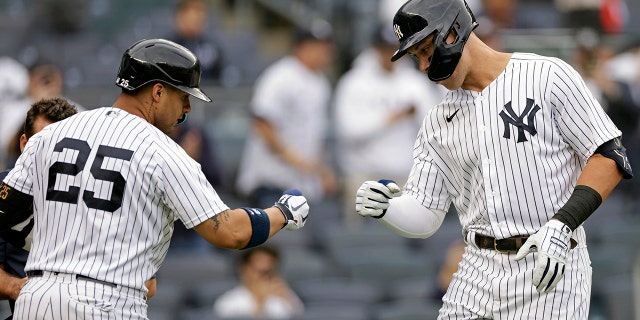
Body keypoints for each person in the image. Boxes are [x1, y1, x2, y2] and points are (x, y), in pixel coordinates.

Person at [354, 0, 632, 319]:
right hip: (476, 268)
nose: (423, 67)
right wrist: (388, 208)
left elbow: (609, 156)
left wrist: (563, 223)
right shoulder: (438, 120)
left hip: (549, 265)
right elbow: (426, 212)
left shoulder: (546, 75)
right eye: (417, 57)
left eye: (426, 51)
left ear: (454, 31)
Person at [0, 38, 310, 320]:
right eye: (184, 96)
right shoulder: (163, 151)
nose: (187, 108)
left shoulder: (51, 134)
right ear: (158, 91)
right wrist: (283, 212)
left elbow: (7, 215)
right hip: (108, 303)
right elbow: (231, 232)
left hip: (37, 300)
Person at [334, 25, 444, 227]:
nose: (390, 55)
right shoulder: (353, 83)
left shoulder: (415, 84)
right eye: (384, 49)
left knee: (404, 242)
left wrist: (412, 115)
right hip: (363, 177)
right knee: (362, 242)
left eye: (393, 49)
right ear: (374, 50)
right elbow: (349, 131)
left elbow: (433, 129)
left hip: (406, 178)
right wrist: (392, 118)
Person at [235, 27, 338, 208]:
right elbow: (262, 124)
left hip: (302, 185)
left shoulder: (321, 83)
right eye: (318, 46)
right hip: (271, 182)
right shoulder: (280, 75)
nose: (325, 52)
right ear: (301, 47)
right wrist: (295, 159)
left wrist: (322, 170)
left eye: (326, 46)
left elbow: (316, 135)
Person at [213, 246, 304, 319]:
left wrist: (287, 297)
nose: (265, 266)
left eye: (269, 270)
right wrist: (260, 301)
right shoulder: (228, 302)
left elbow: (302, 315)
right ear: (243, 269)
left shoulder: (283, 293)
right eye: (260, 271)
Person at [168, 0, 226, 84]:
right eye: (196, 10)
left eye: (203, 11)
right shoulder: (166, 47)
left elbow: (220, 80)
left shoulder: (212, 48)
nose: (201, 16)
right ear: (181, 14)